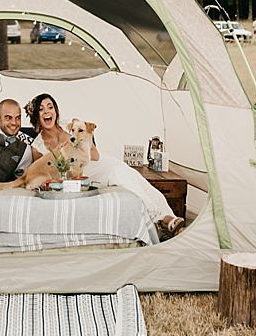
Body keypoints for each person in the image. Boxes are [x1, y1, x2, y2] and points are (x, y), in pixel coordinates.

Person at [25, 93, 185, 237]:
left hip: (97, 163)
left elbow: (95, 155)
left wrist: (83, 141)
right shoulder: (38, 145)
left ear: (56, 111)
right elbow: (47, 174)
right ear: (37, 117)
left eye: (50, 107)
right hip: (82, 175)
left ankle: (168, 218)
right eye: (41, 109)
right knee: (120, 175)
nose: (47, 111)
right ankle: (162, 220)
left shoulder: (72, 125)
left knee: (133, 177)